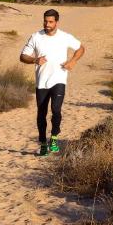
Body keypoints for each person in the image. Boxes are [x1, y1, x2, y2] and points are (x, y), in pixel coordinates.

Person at [19, 9, 85, 156]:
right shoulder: (36, 37)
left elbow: (81, 48)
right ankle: (43, 143)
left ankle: (54, 138)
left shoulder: (65, 37)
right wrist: (35, 60)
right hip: (41, 82)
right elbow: (23, 56)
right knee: (41, 114)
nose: (47, 24)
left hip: (59, 79)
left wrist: (73, 61)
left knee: (56, 110)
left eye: (50, 22)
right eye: (45, 21)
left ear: (56, 22)